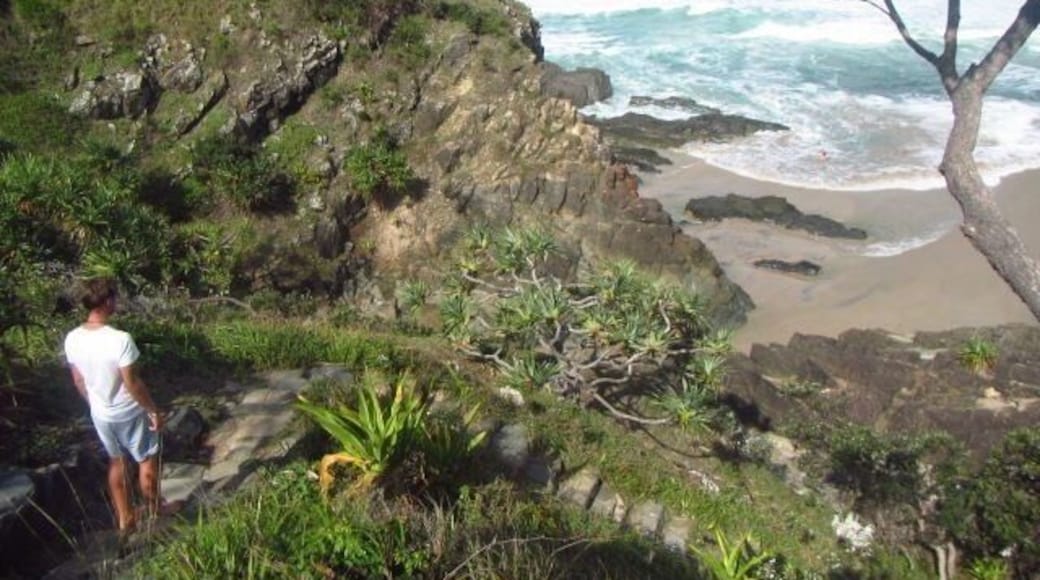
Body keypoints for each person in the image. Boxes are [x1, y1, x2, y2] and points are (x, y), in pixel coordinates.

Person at [63, 278, 164, 534]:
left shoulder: (72, 338)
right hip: (128, 410)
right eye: (114, 298)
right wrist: (152, 410)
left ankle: (125, 519)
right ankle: (155, 511)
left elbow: (78, 381)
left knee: (116, 462)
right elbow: (132, 382)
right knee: (147, 458)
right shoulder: (120, 339)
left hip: (101, 413)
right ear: (107, 301)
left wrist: (95, 403)